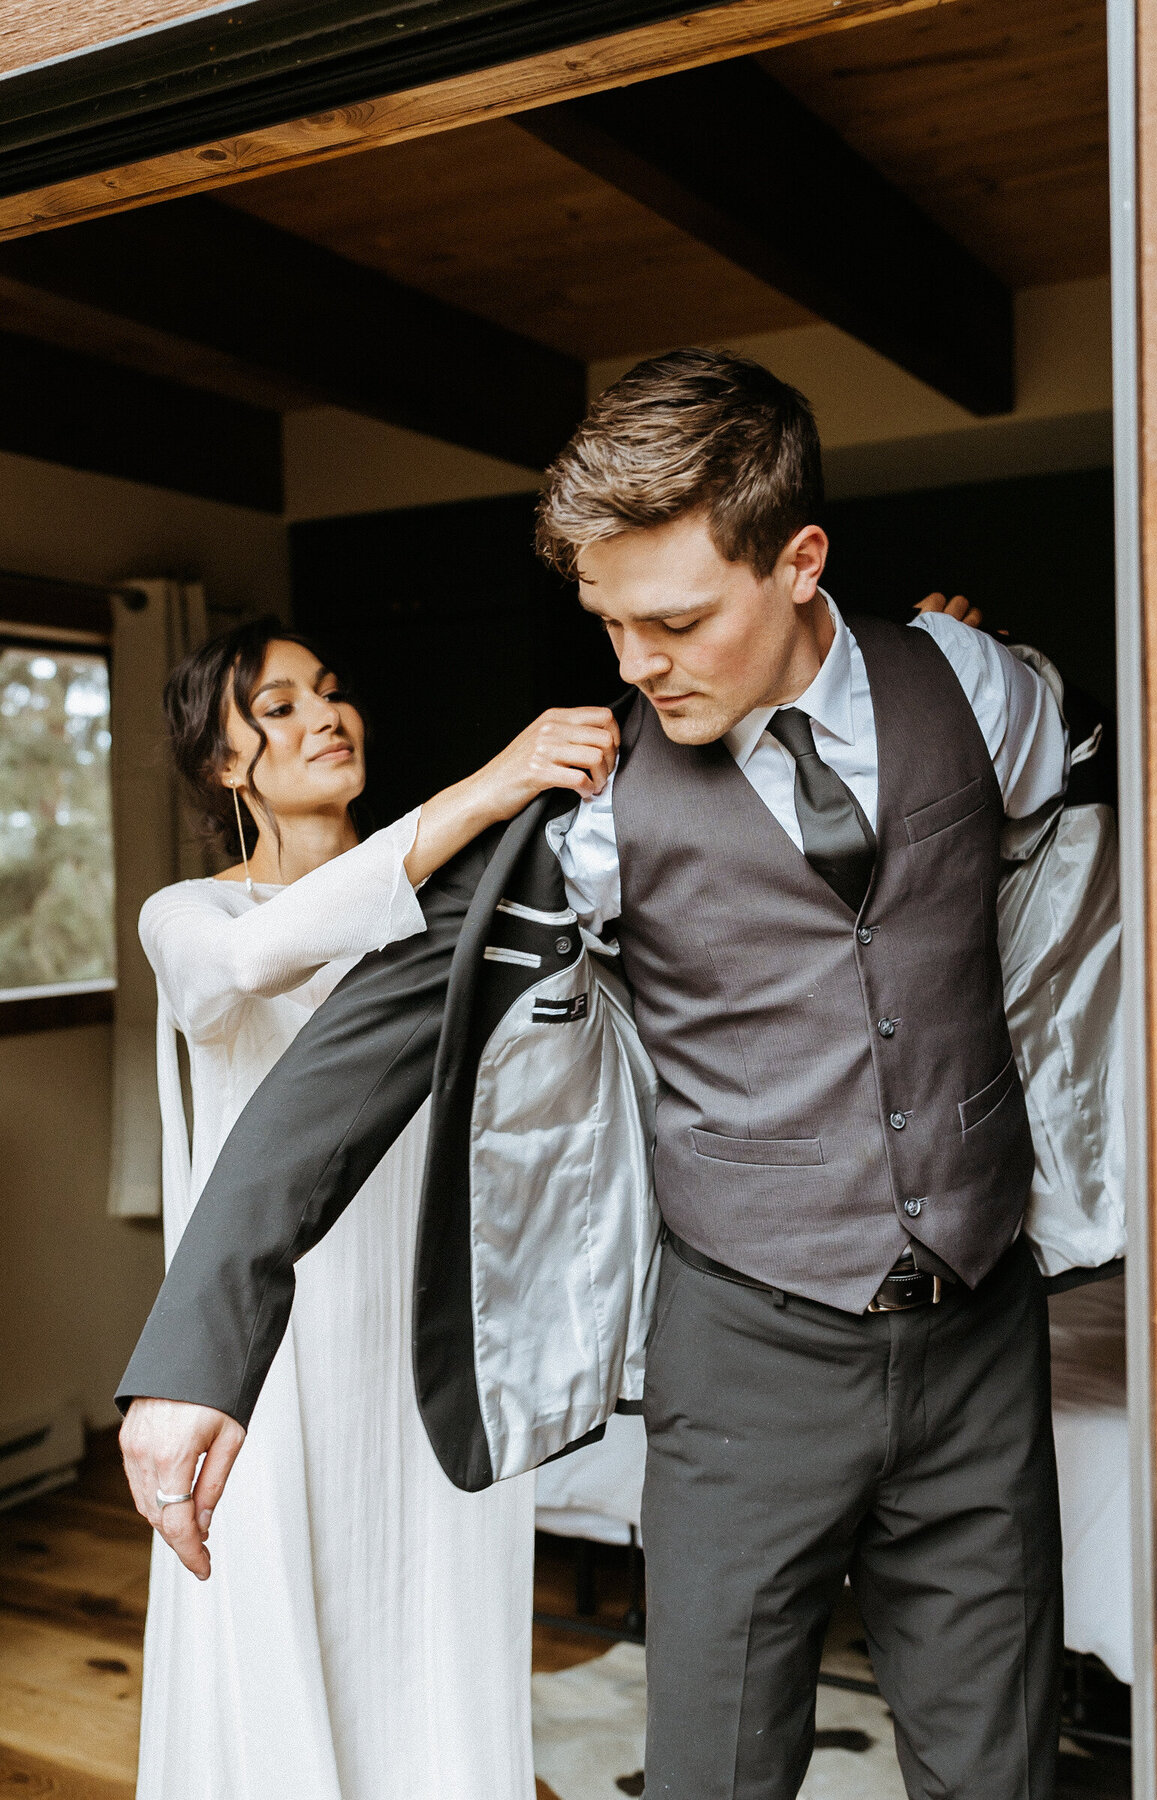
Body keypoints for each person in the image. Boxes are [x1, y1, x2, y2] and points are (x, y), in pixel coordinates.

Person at [118, 350, 1074, 1800]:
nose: (634, 667)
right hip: (748, 1361)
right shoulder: (599, 818)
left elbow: (1072, 878)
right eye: (608, 624)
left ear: (802, 561)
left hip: (984, 1341)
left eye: (676, 620)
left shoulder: (978, 692)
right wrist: (198, 1353)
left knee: (1000, 1771)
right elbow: (367, 1041)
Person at [129, 614, 618, 1800]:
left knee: (432, 1600)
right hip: (275, 1346)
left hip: (425, 1304)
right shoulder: (190, 917)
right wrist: (489, 786)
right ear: (221, 764)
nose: (323, 717)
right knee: (287, 1607)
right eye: (280, 706)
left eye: (330, 692)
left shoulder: (462, 903)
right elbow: (260, 967)